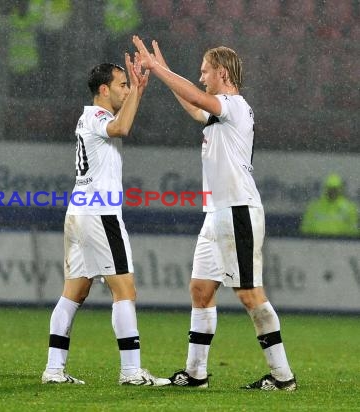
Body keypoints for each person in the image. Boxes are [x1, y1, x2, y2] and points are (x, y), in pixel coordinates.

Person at [133, 35, 297, 391]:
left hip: (238, 210)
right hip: (217, 214)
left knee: (250, 294)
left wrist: (158, 70)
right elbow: (194, 105)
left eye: (205, 70)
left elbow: (196, 97)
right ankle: (196, 374)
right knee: (200, 290)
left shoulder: (235, 105)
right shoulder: (219, 109)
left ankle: (283, 377)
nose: (201, 75)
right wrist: (165, 70)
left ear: (222, 72)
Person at [42, 55, 170, 386]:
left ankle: (54, 369)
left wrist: (136, 91)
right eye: (122, 85)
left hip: (80, 210)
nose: (126, 90)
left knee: (74, 292)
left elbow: (121, 124)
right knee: (125, 289)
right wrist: (139, 91)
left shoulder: (90, 117)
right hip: (100, 212)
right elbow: (122, 127)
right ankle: (131, 371)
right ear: (104, 89)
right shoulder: (99, 116)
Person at [300, 173, 359, 237]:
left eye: (335, 189)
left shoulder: (349, 208)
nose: (332, 191)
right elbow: (305, 229)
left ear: (340, 189)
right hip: (317, 243)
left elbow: (354, 231)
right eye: (330, 188)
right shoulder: (314, 207)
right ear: (325, 189)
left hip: (342, 243)